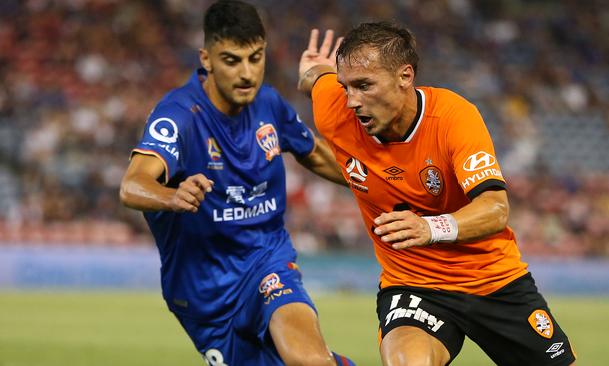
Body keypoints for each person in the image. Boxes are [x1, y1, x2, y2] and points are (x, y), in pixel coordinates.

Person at [298, 24, 576, 366]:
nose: (352, 100)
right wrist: (312, 71)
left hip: (492, 278)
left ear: (405, 76)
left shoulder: (453, 118)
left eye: (364, 85)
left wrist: (431, 228)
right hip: (413, 284)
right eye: (346, 86)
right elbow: (316, 82)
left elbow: (495, 208)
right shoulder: (335, 109)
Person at [119, 1, 355, 365]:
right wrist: (172, 195)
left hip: (266, 259)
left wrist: (382, 183)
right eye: (232, 60)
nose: (247, 73)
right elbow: (132, 185)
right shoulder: (180, 115)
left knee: (310, 361)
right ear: (207, 58)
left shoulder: (269, 103)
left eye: (255, 58)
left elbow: (316, 154)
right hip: (204, 294)